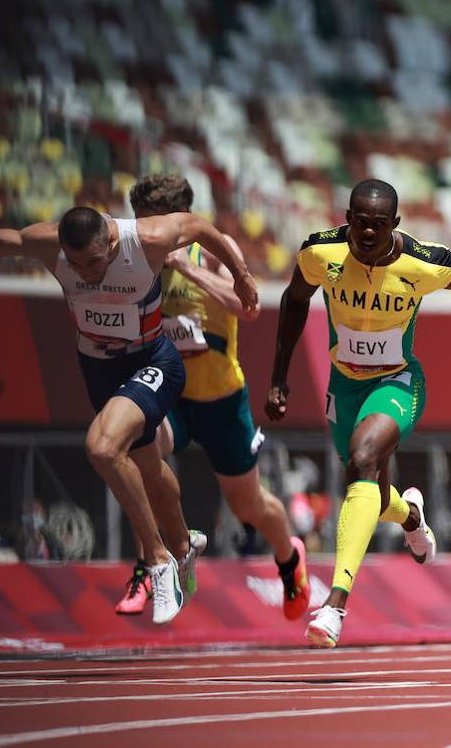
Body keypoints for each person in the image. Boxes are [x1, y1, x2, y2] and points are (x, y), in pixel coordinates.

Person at [0, 207, 258, 623]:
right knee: (147, 467)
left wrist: (241, 275)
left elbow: (201, 228)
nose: (87, 273)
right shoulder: (50, 244)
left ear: (111, 243)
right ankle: (183, 542)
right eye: (77, 263)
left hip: (153, 361)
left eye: (96, 262)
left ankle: (158, 562)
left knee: (101, 448)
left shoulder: (145, 239)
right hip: (99, 371)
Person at [266, 178, 451, 647]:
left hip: (397, 381)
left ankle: (335, 604)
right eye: (360, 224)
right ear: (347, 220)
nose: (369, 235)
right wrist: (279, 377)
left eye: (379, 226)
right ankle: (411, 516)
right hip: (345, 385)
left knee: (362, 460)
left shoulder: (423, 261)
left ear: (395, 225)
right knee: (368, 491)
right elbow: (295, 299)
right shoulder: (321, 253)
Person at [109, 173, 310, 620]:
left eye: (150, 224)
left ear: (179, 221)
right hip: (170, 394)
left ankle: (289, 555)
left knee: (248, 504)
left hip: (221, 398)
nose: (143, 234)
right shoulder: (137, 260)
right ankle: (153, 564)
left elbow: (249, 306)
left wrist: (184, 267)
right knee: (138, 451)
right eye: (137, 223)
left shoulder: (215, 250)